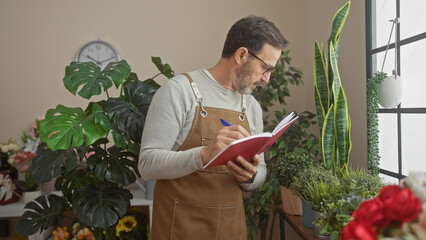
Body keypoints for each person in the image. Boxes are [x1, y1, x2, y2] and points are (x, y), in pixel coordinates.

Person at [138, 15, 288, 239]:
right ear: (241, 54)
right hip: (178, 228)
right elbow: (147, 165)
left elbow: (261, 173)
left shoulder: (252, 106)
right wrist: (204, 154)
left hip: (230, 228)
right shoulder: (180, 90)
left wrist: (250, 177)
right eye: (265, 68)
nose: (267, 79)